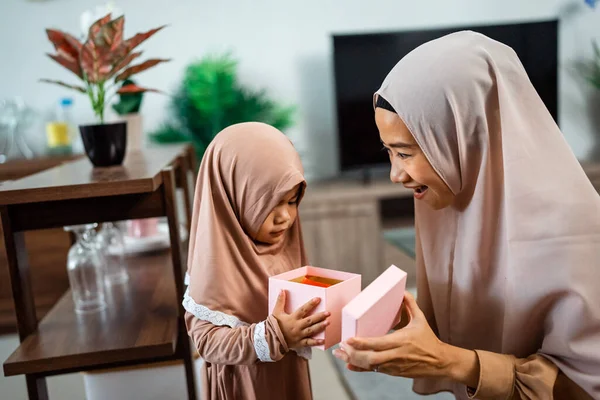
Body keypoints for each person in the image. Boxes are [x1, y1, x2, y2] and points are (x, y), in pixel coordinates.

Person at [333, 31, 600, 399]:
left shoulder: (571, 232)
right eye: (388, 152)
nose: (395, 175)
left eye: (406, 153)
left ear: (466, 134)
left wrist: (450, 362)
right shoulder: (452, 201)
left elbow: (586, 386)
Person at [183, 122, 329, 400]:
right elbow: (207, 342)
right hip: (243, 386)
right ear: (233, 197)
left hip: (288, 378)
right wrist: (274, 336)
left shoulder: (282, 245)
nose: (285, 217)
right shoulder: (213, 264)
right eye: (270, 202)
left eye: (291, 201)